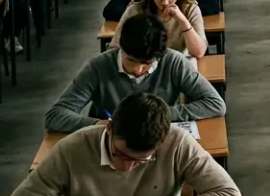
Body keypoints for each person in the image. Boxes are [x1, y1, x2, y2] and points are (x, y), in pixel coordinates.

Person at [0, 93, 242, 196]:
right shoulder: (71, 150)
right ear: (109, 127)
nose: (127, 168)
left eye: (142, 161)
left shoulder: (177, 142)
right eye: (120, 154)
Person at [45, 15, 225, 133]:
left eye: (147, 64)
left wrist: (160, 114)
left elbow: (215, 104)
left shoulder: (173, 61)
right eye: (131, 60)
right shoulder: (98, 67)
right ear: (121, 48)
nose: (138, 70)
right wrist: (98, 125)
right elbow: (55, 115)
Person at [112, 0, 207, 59]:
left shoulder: (191, 10)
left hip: (178, 63)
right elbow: (115, 49)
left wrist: (183, 21)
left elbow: (198, 52)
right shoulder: (135, 10)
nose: (165, 2)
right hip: (143, 63)